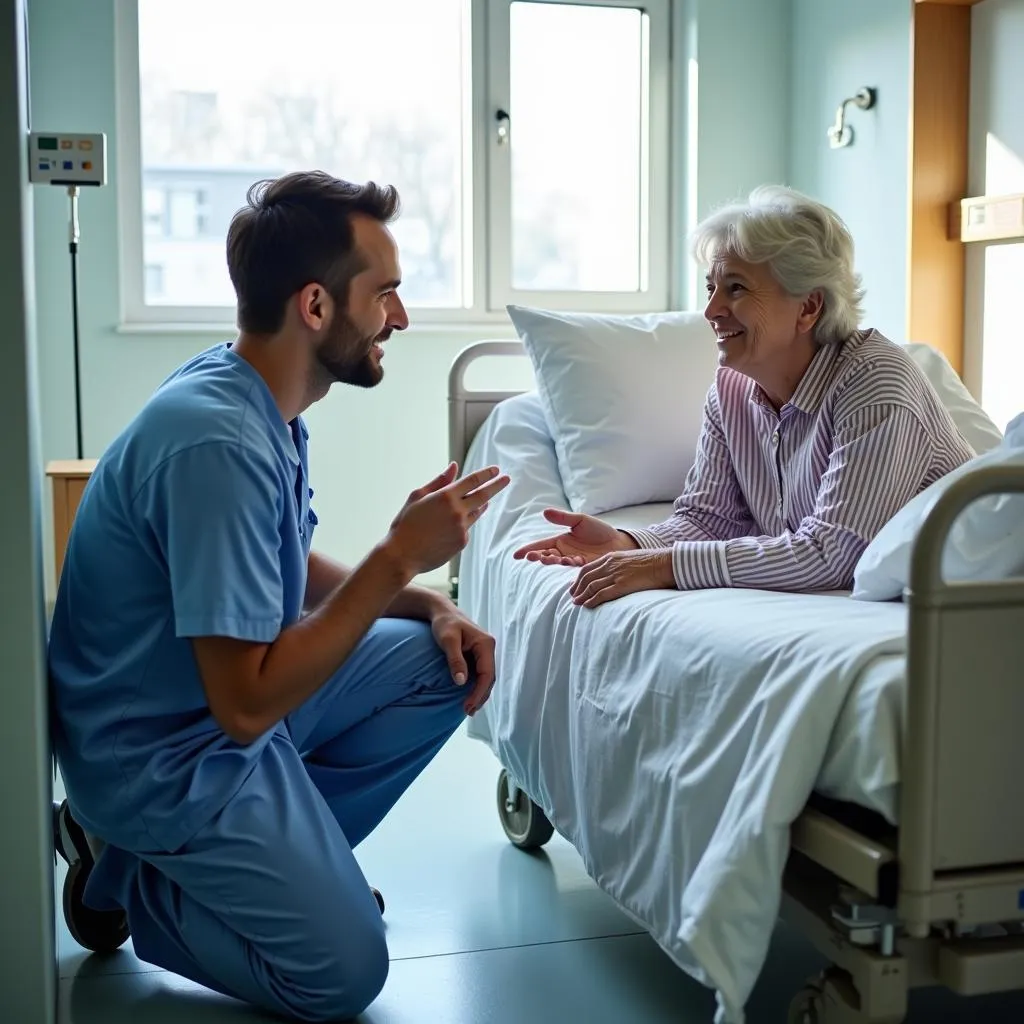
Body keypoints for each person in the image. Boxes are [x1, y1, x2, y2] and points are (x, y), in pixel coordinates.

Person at [48, 171, 510, 1022]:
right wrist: (397, 557)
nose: (399, 320)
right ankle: (126, 868)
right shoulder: (215, 441)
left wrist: (432, 604)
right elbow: (247, 704)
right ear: (315, 306)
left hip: (213, 721)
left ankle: (280, 872)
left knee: (433, 662)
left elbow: (286, 569)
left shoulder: (260, 400)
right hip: (161, 758)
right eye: (387, 295)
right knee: (342, 976)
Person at [514, 185, 974, 605]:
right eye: (712, 288)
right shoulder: (732, 390)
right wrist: (628, 544)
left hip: (974, 600)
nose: (712, 310)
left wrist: (663, 567)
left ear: (809, 307)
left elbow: (834, 553)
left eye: (736, 288)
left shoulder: (875, 382)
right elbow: (709, 519)